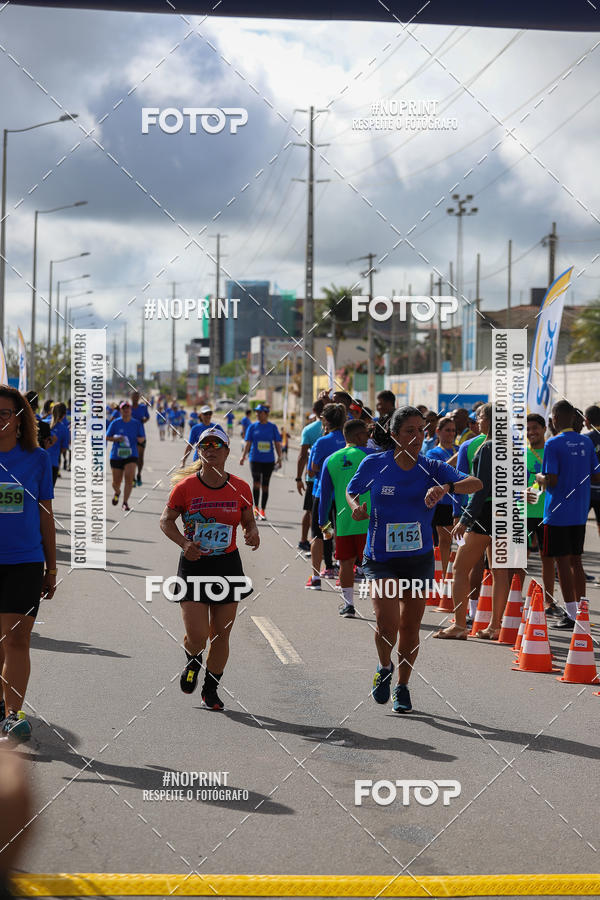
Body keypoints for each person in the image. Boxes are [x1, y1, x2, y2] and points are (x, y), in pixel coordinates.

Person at [347, 406, 481, 712]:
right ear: (394, 435)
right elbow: (352, 491)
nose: (418, 436)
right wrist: (356, 506)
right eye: (410, 430)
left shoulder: (431, 466)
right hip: (381, 558)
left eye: (422, 430)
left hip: (418, 559)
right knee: (387, 622)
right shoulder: (374, 463)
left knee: (410, 626)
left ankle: (403, 685)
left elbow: (475, 484)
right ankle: (384, 667)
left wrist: (445, 487)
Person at [160, 425, 259, 710]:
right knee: (198, 636)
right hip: (194, 565)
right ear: (199, 452)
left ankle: (211, 689)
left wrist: (252, 531)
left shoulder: (240, 487)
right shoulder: (185, 488)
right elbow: (166, 521)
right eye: (205, 446)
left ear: (227, 451)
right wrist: (183, 543)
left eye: (217, 445)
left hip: (228, 565)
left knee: (221, 634)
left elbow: (247, 519)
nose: (211, 449)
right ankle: (193, 660)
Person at [0, 386, 56, 740]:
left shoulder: (37, 459)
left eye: (4, 414)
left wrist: (51, 568)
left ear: (19, 420)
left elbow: (45, 514)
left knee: (17, 639)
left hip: (25, 562)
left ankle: (11, 714)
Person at [436, 403, 509, 641]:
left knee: (459, 569)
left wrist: (466, 518)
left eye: (479, 417)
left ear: (489, 420)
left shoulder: (487, 447)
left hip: (485, 511)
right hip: (505, 511)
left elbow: (480, 487)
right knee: (499, 571)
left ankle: (459, 625)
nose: (477, 422)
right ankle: (495, 625)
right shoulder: (511, 447)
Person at [536, 399, 600, 630]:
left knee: (562, 563)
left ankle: (571, 614)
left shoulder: (553, 444)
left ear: (554, 418)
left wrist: (538, 478)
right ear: (573, 418)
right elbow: (596, 475)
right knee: (576, 561)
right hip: (579, 511)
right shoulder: (585, 441)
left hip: (557, 512)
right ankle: (581, 610)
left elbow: (551, 480)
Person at [319, 418, 374, 616]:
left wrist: (323, 523)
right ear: (359, 436)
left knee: (346, 563)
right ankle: (380, 607)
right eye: (367, 435)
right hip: (370, 520)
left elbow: (324, 497)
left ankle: (349, 605)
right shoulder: (372, 455)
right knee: (374, 565)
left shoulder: (330, 460)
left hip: (344, 522)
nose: (368, 439)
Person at [305, 403, 346, 589]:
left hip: (324, 494)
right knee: (341, 532)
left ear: (325, 421)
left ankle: (315, 577)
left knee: (320, 533)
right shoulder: (348, 439)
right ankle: (340, 573)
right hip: (345, 494)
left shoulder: (321, 442)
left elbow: (312, 471)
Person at [525, 414, 559, 615]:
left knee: (547, 559)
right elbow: (509, 483)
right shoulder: (520, 453)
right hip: (523, 513)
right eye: (528, 429)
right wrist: (522, 493)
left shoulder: (551, 451)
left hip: (547, 513)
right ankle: (514, 600)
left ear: (544, 428)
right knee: (518, 559)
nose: (531, 432)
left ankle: (549, 602)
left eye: (535, 428)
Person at [425, 416, 457, 574]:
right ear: (438, 431)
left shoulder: (458, 449)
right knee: (444, 541)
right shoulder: (433, 452)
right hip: (442, 502)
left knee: (460, 541)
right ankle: (441, 574)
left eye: (453, 430)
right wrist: (455, 459)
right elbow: (437, 472)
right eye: (447, 430)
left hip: (459, 501)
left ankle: (453, 573)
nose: (451, 434)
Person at [240, 404, 282, 519]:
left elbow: (277, 443)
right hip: (255, 459)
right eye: (256, 412)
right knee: (256, 483)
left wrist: (280, 457)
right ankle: (256, 508)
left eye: (260, 412)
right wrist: (243, 456)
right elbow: (248, 443)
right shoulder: (252, 427)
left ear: (266, 414)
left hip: (269, 461)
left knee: (265, 486)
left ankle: (263, 510)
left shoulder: (272, 427)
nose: (257, 414)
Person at [295, 399, 324, 553]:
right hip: (329, 479)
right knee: (324, 514)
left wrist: (298, 478)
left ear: (314, 410)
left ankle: (305, 540)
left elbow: (301, 456)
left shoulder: (308, 429)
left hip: (312, 479)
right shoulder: (336, 430)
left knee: (309, 511)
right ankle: (322, 543)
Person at [106, 400, 146, 511]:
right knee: (116, 482)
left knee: (129, 478)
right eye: (124, 408)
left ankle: (125, 502)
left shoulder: (136, 423)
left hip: (131, 454)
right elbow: (107, 437)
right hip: (116, 455)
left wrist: (139, 439)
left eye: (128, 408)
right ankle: (117, 492)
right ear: (121, 410)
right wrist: (116, 439)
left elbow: (142, 437)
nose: (126, 410)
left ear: (131, 410)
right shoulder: (115, 423)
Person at [584, 405, 600, 539]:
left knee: (578, 524)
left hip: (587, 490)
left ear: (587, 420)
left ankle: (576, 555)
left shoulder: (585, 439)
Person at [130, 390, 150, 486]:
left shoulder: (143, 407)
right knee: (131, 458)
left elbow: (147, 417)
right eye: (134, 396)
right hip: (130, 436)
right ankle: (132, 477)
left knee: (140, 458)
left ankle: (139, 474)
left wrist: (144, 420)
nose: (135, 398)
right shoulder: (128, 408)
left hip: (141, 435)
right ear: (131, 397)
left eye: (137, 396)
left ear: (139, 398)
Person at [48, 403, 70, 487]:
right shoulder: (64, 429)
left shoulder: (42, 423)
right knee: (47, 495)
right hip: (53, 463)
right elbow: (64, 448)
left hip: (38, 463)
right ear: (64, 415)